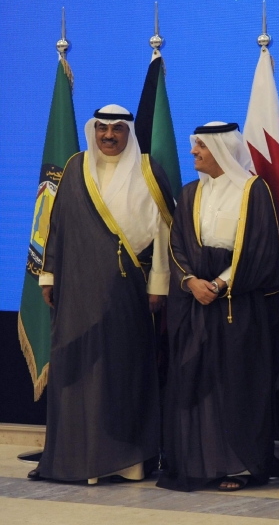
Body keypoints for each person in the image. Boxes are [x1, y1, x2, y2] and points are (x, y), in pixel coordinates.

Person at [32, 104, 173, 484]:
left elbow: (163, 234)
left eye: (117, 129)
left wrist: (158, 286)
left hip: (127, 291)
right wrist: (48, 275)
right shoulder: (76, 168)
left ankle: (128, 461)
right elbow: (56, 226)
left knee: (123, 372)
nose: (108, 136)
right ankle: (79, 458)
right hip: (76, 288)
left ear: (129, 133)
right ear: (93, 131)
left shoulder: (147, 171)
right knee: (79, 371)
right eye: (102, 129)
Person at [158, 122, 279, 492]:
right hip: (196, 304)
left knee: (236, 384)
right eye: (194, 146)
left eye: (201, 147)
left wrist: (220, 283)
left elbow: (260, 248)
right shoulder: (191, 192)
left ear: (222, 150)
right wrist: (191, 282)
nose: (194, 152)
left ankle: (239, 467)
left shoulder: (253, 190)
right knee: (197, 383)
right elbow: (177, 245)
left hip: (237, 305)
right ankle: (200, 463)